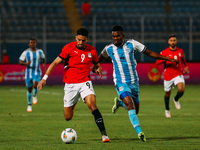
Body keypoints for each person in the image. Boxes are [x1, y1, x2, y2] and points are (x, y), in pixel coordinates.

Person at [93, 25, 178, 142]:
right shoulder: (108, 48)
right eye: (113, 36)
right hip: (120, 82)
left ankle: (119, 103)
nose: (115, 38)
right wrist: (96, 67)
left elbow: (149, 53)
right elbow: (99, 58)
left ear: (122, 35)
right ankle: (140, 133)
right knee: (129, 104)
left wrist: (167, 58)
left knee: (135, 110)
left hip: (134, 82)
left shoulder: (132, 44)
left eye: (118, 36)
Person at [37, 28, 110, 143]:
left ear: (87, 39)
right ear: (76, 37)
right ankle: (76, 100)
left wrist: (98, 68)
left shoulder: (92, 50)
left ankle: (104, 135)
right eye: (79, 40)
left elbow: (96, 65)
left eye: (83, 40)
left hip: (85, 82)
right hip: (70, 85)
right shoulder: (68, 48)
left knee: (93, 106)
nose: (81, 42)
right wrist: (44, 78)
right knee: (68, 117)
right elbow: (55, 62)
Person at [156, 34, 188, 118]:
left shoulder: (180, 50)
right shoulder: (164, 52)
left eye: (174, 40)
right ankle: (167, 109)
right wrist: (165, 58)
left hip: (178, 73)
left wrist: (186, 66)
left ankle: (176, 99)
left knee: (181, 89)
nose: (173, 42)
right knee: (167, 94)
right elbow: (157, 62)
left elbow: (183, 59)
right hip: (168, 75)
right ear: (168, 42)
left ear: (176, 41)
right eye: (171, 40)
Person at [19, 38, 46, 112]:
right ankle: (29, 104)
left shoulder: (40, 52)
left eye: (34, 42)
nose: (33, 44)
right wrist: (26, 63)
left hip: (37, 71)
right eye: (31, 43)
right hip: (28, 73)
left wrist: (43, 66)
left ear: (36, 44)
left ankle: (34, 96)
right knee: (29, 89)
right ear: (29, 44)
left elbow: (43, 58)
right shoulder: (26, 52)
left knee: (36, 83)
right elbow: (20, 61)